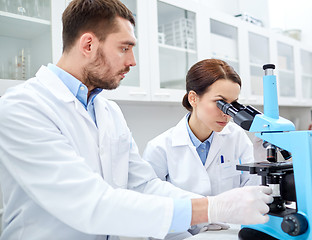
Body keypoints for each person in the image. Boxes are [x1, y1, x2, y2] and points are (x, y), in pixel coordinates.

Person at [0, 1, 273, 240]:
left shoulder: (109, 112)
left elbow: (144, 185)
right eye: (125, 48)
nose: (132, 61)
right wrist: (211, 209)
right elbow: (88, 203)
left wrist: (215, 203)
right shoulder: (23, 107)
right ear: (88, 44)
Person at [143, 59, 263, 238]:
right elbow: (151, 208)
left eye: (233, 104)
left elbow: (252, 193)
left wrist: (260, 162)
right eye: (221, 103)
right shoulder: (160, 148)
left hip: (231, 233)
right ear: (193, 98)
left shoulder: (236, 137)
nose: (227, 114)